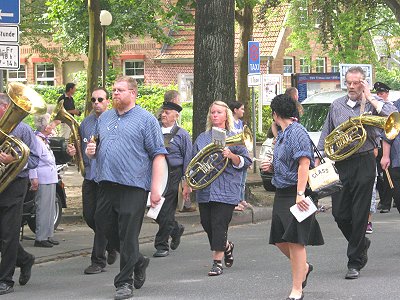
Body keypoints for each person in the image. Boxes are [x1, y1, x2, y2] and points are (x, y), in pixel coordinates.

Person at [85, 76, 168, 300]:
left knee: (128, 235)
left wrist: (156, 189)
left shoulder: (146, 120)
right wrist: (90, 151)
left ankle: (124, 283)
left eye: (120, 90)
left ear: (133, 93)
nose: (115, 94)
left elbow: (158, 155)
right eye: (113, 90)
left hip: (133, 187)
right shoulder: (105, 118)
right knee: (101, 225)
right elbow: (96, 146)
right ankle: (138, 262)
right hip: (106, 183)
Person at [316, 66, 396, 280]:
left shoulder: (372, 105)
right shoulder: (336, 105)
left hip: (364, 161)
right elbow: (327, 132)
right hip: (341, 163)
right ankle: (361, 244)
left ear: (364, 83)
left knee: (360, 212)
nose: (351, 86)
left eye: (356, 83)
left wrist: (369, 97)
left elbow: (391, 117)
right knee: (339, 213)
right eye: (349, 82)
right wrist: (318, 155)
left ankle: (354, 262)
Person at [260, 94, 324, 300]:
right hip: (282, 192)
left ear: (275, 114)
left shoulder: (296, 132)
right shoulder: (283, 133)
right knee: (280, 240)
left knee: (296, 242)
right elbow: (289, 162)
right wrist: (272, 166)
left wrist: (299, 194)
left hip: (297, 192)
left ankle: (297, 289)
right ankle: (303, 266)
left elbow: (304, 163)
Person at [187, 101, 251, 277]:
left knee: (219, 224)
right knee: (207, 224)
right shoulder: (202, 138)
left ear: (226, 115)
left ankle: (217, 263)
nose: (215, 115)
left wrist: (231, 156)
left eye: (219, 112)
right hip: (205, 189)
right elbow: (194, 162)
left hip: (227, 188)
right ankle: (227, 246)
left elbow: (246, 162)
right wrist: (187, 184)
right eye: (212, 112)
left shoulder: (235, 136)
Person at [72, 88, 118, 274]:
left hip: (106, 178)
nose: (96, 102)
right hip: (90, 176)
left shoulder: (115, 121)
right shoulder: (86, 123)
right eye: (93, 99)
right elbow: (83, 150)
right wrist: (74, 153)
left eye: (100, 99)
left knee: (100, 219)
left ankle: (98, 260)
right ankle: (111, 242)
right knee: (89, 216)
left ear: (107, 101)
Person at [0, 93, 39, 295]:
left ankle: (5, 280)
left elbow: (34, 160)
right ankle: (24, 259)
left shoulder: (23, 129)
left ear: (6, 109)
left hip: (14, 184)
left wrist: (12, 161)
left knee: (8, 233)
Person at [153, 101, 192, 258]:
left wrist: (186, 183)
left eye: (167, 112)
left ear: (176, 116)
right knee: (154, 211)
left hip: (174, 174)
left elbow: (188, 159)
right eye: (163, 112)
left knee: (167, 210)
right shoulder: (154, 131)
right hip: (156, 174)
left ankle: (161, 244)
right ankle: (175, 229)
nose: (163, 114)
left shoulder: (182, 134)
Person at [29, 114, 65, 248]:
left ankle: (48, 234)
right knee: (43, 208)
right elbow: (33, 160)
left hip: (50, 177)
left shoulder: (45, 139)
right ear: (44, 126)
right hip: (42, 178)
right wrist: (34, 177)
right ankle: (40, 237)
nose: (52, 126)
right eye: (49, 124)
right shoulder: (37, 141)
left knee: (50, 207)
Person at [373, 82, 394, 213]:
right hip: (376, 144)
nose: (380, 95)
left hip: (387, 144)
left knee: (388, 174)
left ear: (387, 94)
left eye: (382, 93)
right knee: (376, 173)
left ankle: (386, 202)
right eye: (378, 93)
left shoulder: (390, 108)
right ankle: (383, 198)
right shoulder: (375, 107)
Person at [229, 101, 249, 211]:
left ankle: (241, 199)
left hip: (241, 153)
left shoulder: (241, 123)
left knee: (242, 179)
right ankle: (235, 201)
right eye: (241, 109)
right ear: (235, 110)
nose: (243, 111)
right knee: (236, 179)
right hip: (233, 154)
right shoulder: (229, 122)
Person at [381, 99, 400, 214]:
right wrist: (385, 156)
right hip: (397, 162)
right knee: (398, 197)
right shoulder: (396, 106)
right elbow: (387, 135)